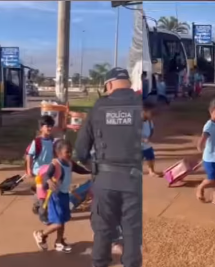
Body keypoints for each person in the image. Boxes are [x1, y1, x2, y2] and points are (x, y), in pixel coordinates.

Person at [75, 67, 142, 267]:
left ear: (109, 84)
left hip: (105, 180)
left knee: (103, 231)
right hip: (134, 181)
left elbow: (80, 150)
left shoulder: (99, 106)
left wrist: (95, 168)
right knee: (131, 232)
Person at [33, 139, 90, 253]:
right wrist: (49, 181)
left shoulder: (70, 163)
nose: (70, 154)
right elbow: (46, 176)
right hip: (55, 196)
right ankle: (41, 234)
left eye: (71, 151)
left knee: (63, 220)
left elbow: (80, 170)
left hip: (64, 195)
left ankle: (59, 242)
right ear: (58, 153)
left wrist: (92, 171)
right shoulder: (55, 164)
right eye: (67, 152)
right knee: (58, 223)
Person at [26, 115, 55, 224]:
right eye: (47, 126)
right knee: (44, 194)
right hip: (39, 172)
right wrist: (29, 169)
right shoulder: (37, 142)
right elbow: (29, 155)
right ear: (41, 127)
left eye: (51, 126)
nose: (50, 128)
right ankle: (43, 216)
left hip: (49, 171)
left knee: (48, 192)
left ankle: (37, 203)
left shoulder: (52, 140)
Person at [142, 101, 160, 177]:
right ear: (144, 111)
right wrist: (142, 139)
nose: (152, 114)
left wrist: (150, 137)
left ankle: (151, 171)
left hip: (147, 144)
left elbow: (152, 129)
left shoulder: (149, 121)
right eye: (150, 112)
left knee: (151, 157)